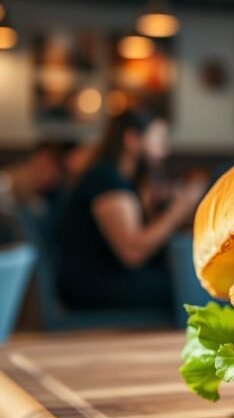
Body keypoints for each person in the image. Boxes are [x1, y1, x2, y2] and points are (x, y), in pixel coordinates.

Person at [56, 110, 206, 312]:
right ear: (132, 140)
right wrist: (179, 209)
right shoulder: (105, 179)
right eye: (158, 139)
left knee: (188, 281)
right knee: (188, 289)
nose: (164, 150)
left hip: (111, 277)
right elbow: (132, 252)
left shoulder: (122, 180)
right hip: (95, 284)